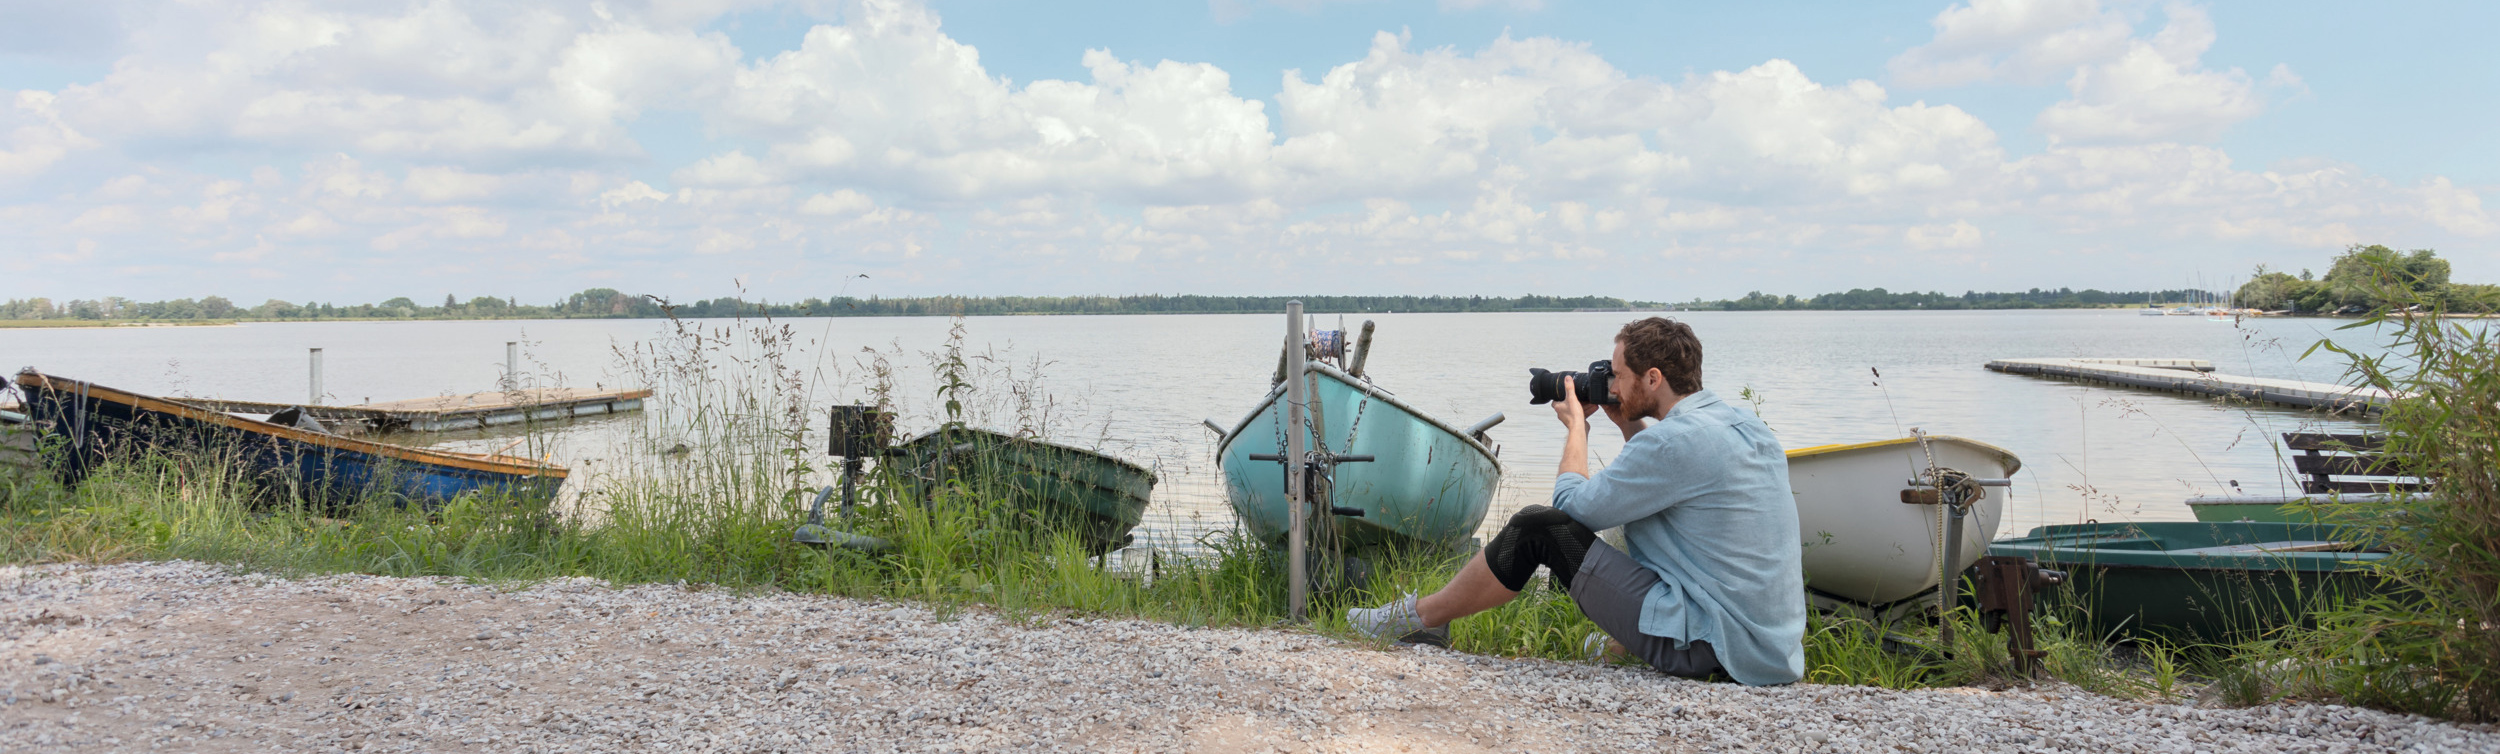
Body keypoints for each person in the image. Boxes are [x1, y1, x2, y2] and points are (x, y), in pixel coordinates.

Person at [1347, 317, 1805, 685]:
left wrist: (1576, 430)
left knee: (1538, 527)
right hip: (1768, 651)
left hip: (1714, 649)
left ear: (1653, 377)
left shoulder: (1674, 443)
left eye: (1620, 376)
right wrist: (1627, 424)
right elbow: (1667, 484)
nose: (1614, 386)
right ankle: (1618, 647)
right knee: (1663, 536)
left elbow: (1570, 508)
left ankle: (1418, 620)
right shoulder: (1742, 427)